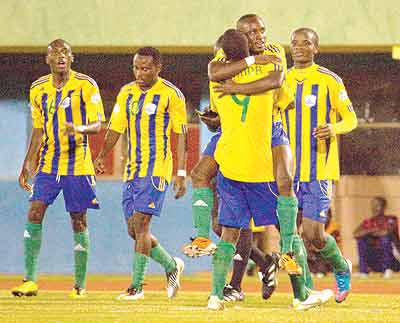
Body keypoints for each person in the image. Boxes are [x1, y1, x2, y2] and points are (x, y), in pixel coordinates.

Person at [206, 29, 331, 311]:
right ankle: (301, 296)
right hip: (260, 170)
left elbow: (215, 73)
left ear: (224, 54)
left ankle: (216, 295)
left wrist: (235, 85)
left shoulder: (217, 81)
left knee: (228, 234)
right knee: (289, 234)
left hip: (229, 169)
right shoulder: (268, 78)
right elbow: (278, 81)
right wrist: (257, 64)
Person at [12, 39, 105, 298]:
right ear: (48, 59)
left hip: (78, 164)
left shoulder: (86, 85)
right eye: (56, 53)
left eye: (65, 52)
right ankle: (29, 280)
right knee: (34, 212)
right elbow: (38, 131)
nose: (61, 56)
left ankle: (80, 285)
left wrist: (79, 128)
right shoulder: (38, 89)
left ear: (72, 58)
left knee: (78, 219)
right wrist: (27, 164)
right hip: (49, 164)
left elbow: (98, 124)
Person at [94, 47, 187, 300]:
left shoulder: (171, 95)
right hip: (132, 170)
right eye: (136, 67)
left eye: (146, 68)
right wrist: (102, 155)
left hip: (157, 168)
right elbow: (115, 127)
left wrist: (180, 172)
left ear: (158, 68)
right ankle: (171, 266)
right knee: (134, 231)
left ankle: (136, 288)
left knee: (143, 224)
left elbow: (180, 135)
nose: (140, 72)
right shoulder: (127, 93)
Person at [281, 27, 358, 303]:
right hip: (285, 172)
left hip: (317, 170)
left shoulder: (330, 80)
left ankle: (341, 266)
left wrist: (333, 128)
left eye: (306, 43)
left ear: (316, 48)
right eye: (295, 43)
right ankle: (306, 289)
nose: (299, 47)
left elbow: (351, 119)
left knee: (313, 234)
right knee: (288, 233)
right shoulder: (281, 80)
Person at [353, 196, 400, 278]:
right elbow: (356, 234)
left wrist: (367, 232)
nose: (374, 208)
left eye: (377, 205)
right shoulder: (368, 221)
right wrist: (373, 230)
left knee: (385, 239)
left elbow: (386, 232)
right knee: (361, 240)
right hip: (376, 259)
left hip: (393, 260)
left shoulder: (391, 219)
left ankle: (387, 269)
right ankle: (363, 271)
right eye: (373, 205)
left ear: (384, 207)